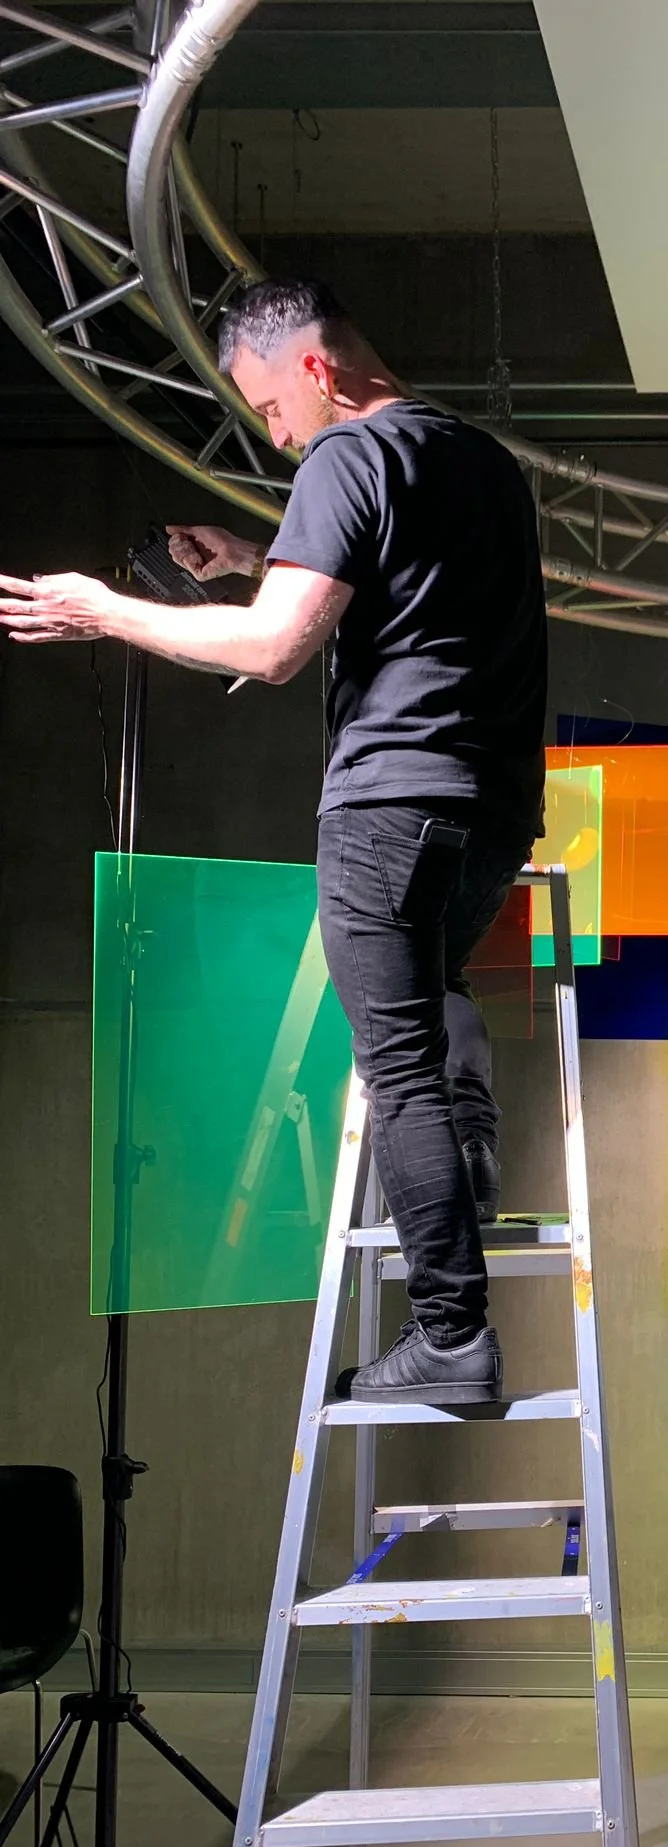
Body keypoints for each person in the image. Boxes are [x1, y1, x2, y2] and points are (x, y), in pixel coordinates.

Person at [0, 278, 547, 1406]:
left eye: (266, 407)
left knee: (395, 1071)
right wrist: (259, 550)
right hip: (487, 804)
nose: (273, 432)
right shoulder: (478, 460)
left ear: (314, 368)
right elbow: (405, 591)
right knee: (429, 998)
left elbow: (279, 644)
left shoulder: (342, 458)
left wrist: (106, 610)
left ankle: (451, 1333)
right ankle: (472, 1157)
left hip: (389, 801)